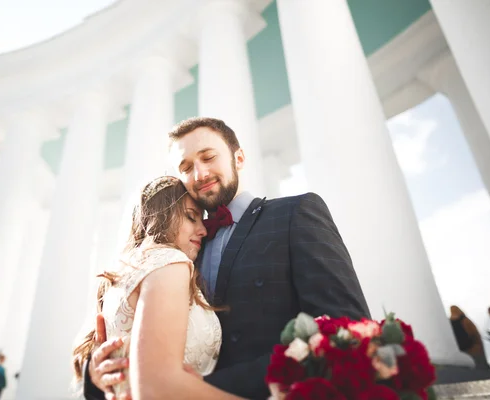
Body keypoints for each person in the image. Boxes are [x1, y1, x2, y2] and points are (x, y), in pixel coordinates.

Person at [85, 117, 370, 399]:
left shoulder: (295, 213)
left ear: (239, 158)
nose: (200, 174)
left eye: (208, 157)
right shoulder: (179, 249)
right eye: (186, 167)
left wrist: (205, 386)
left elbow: (345, 328)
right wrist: (97, 375)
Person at [73, 176, 242, 399]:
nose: (203, 230)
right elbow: (160, 388)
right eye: (191, 217)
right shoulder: (169, 261)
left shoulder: (125, 271)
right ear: (161, 214)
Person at [449, 305, 490, 370]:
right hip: (473, 350)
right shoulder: (466, 320)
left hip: (461, 351)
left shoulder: (450, 323)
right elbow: (475, 334)